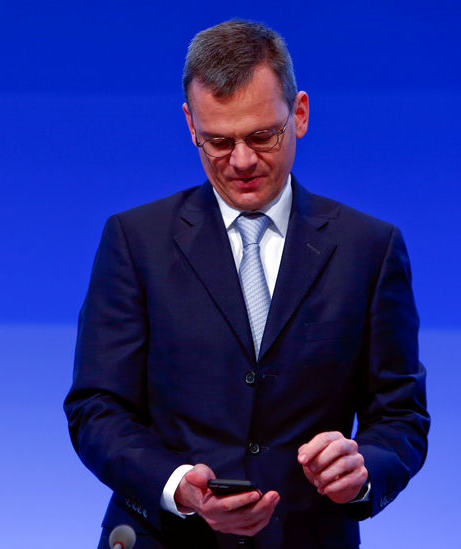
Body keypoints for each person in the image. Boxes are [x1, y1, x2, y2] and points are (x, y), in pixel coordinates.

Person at [64, 19, 429, 549]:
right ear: (190, 124)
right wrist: (177, 488)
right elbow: (97, 408)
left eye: (262, 135)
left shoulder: (369, 249)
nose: (240, 161)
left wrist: (363, 469)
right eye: (217, 140)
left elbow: (401, 416)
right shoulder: (134, 240)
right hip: (164, 536)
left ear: (299, 114)